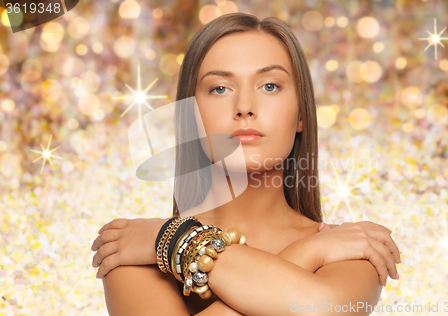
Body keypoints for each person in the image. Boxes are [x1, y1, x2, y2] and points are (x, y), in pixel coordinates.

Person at [91, 12, 401, 316]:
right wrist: (309, 253)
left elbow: (321, 309)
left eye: (269, 86)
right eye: (220, 88)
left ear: (301, 114)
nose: (244, 108)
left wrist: (176, 242)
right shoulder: (134, 250)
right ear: (190, 118)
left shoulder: (352, 251)